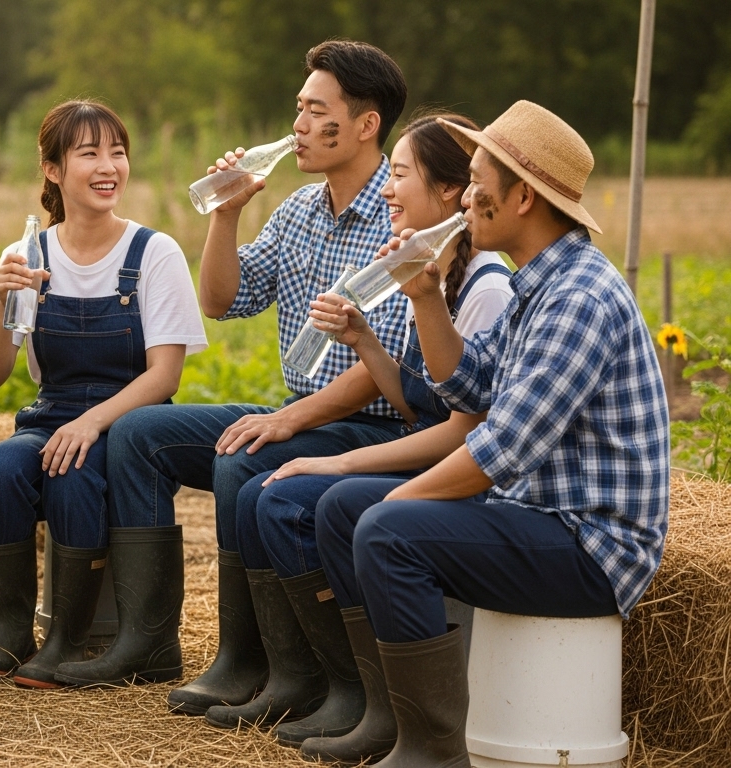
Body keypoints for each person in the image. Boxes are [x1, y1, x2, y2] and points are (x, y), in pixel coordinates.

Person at [314, 100, 669, 766]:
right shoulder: (541, 283)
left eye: (478, 180)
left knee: (386, 528)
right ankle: (392, 719)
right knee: (341, 510)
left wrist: (399, 499)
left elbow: (497, 451)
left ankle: (434, 751)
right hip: (537, 515)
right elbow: (471, 383)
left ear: (524, 197)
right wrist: (423, 295)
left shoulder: (579, 299)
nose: (467, 194)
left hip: (591, 545)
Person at [56, 40, 412, 697]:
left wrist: (284, 421)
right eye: (298, 109)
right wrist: (226, 215)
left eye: (314, 112)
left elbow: (383, 364)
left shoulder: (400, 213)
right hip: (305, 417)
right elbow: (222, 300)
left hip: (374, 427)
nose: (297, 127)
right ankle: (149, 642)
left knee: (239, 457)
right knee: (139, 434)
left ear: (365, 125)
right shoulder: (301, 211)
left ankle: (251, 660)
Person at [219, 114, 512, 758]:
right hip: (439, 449)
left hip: (469, 472)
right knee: (269, 489)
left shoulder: (487, 286)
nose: (387, 189)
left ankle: (371, 700)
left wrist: (339, 463)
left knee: (312, 499)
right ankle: (336, 688)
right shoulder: (433, 272)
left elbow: (458, 435)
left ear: (446, 193)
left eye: (400, 174)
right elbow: (417, 404)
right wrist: (363, 339)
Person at [0, 101, 208, 688]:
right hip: (50, 416)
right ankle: (9, 636)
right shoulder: (26, 255)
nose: (109, 166)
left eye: (117, 152)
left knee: (74, 472)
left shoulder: (155, 252)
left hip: (132, 429)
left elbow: (164, 376)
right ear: (52, 169)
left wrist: (92, 423)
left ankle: (65, 641)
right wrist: (0, 301)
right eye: (89, 153)